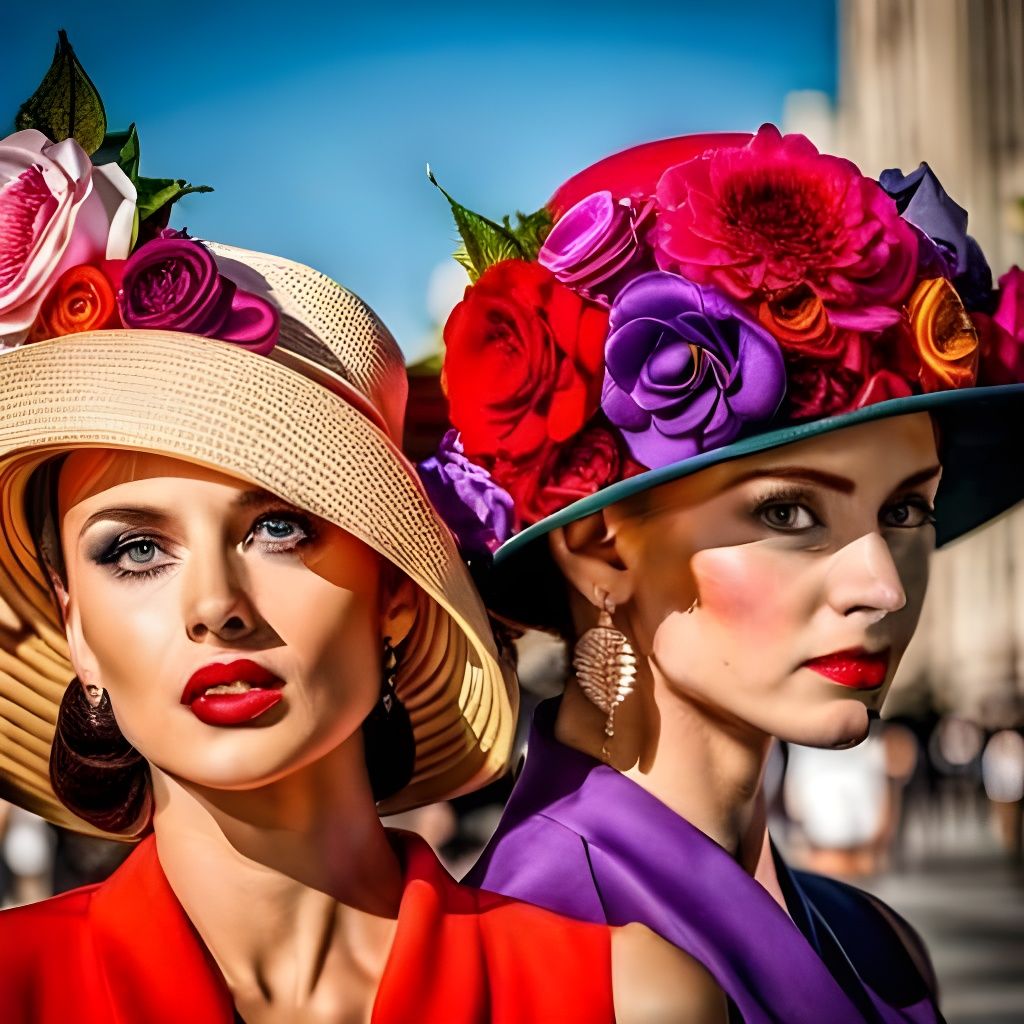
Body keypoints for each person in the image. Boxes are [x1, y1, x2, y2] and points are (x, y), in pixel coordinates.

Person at [0, 91, 715, 1020]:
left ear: (398, 593)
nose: (216, 605)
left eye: (279, 527)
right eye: (136, 549)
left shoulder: (628, 999)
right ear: (76, 631)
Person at [422, 127, 1024, 1022]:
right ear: (598, 546)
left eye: (905, 510)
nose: (884, 587)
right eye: (787, 512)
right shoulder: (547, 967)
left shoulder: (876, 940)